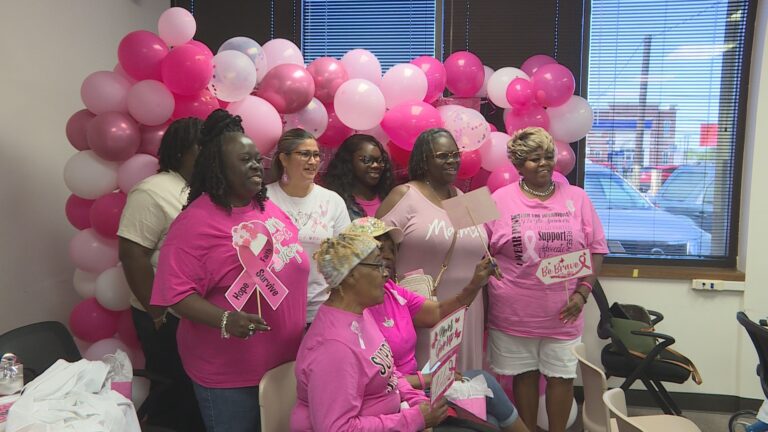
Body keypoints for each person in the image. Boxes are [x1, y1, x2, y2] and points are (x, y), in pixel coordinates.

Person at [151, 109, 310, 432]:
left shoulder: (266, 206)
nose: (256, 165)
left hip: (285, 363)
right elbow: (175, 294)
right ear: (217, 168)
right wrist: (225, 319)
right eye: (244, 159)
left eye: (256, 158)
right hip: (230, 376)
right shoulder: (195, 223)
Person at [346, 217, 529, 432]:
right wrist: (428, 380)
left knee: (486, 389)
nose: (386, 256)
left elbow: (438, 312)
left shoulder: (392, 292)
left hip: (414, 391)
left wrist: (475, 283)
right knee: (488, 423)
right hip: (392, 403)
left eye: (391, 250)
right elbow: (375, 384)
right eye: (378, 250)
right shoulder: (354, 312)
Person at [484, 127, 608, 432]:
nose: (543, 164)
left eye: (548, 156)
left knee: (562, 377)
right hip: (514, 311)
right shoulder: (499, 199)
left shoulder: (577, 198)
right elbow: (478, 245)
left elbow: (597, 249)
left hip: (564, 312)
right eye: (534, 159)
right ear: (518, 165)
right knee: (524, 377)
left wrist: (582, 294)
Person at [291, 231, 447, 431]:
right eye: (377, 265)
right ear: (352, 274)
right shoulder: (333, 347)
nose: (385, 273)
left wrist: (417, 401)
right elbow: (337, 428)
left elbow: (388, 373)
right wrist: (414, 419)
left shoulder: (360, 315)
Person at [117, 117, 204, 431]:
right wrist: (157, 311)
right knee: (173, 392)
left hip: (195, 312)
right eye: (202, 146)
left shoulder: (204, 191)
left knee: (194, 392)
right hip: (163, 314)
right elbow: (132, 254)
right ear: (181, 151)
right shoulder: (153, 191)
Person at [377, 128, 487, 372]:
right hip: (423, 308)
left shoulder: (464, 199)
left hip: (469, 308)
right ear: (424, 160)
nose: (452, 160)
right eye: (442, 155)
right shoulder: (405, 195)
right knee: (429, 384)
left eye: (455, 154)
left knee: (465, 383)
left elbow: (482, 251)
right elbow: (374, 252)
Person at [266, 129, 351, 324]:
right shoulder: (264, 198)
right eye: (304, 154)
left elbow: (345, 256)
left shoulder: (332, 201)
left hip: (319, 309)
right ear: (283, 159)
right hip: (273, 308)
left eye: (316, 155)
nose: (312, 161)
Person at [322, 134, 394, 220]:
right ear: (349, 162)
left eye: (380, 161)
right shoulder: (335, 202)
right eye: (367, 160)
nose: (376, 165)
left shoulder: (391, 198)